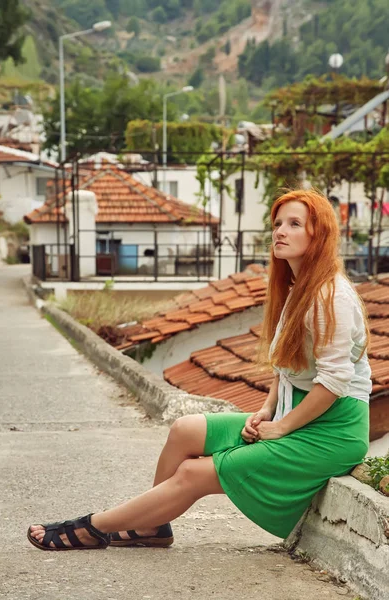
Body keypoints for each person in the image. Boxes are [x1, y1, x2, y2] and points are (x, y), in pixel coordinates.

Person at [28, 189, 371, 551]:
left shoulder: (330, 296)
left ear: (318, 235)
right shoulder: (295, 289)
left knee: (193, 473)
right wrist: (267, 410)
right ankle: (152, 527)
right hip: (293, 414)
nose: (280, 232)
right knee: (185, 429)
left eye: (294, 224)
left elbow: (333, 382)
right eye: (277, 224)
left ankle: (89, 528)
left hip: (333, 432)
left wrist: (282, 426)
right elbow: (286, 366)